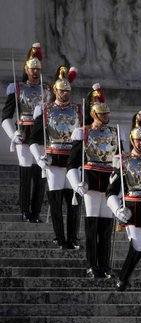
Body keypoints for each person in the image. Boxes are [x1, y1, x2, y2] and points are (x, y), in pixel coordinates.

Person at [66, 83, 118, 279]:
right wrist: (76, 182)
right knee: (92, 225)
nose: (106, 117)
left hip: (108, 184)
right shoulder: (84, 133)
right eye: (102, 114)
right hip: (91, 182)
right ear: (94, 114)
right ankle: (91, 264)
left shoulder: (114, 132)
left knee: (106, 227)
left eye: (107, 114)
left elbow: (119, 161)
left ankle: (104, 265)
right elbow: (72, 163)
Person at [27, 65, 81, 249]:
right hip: (54, 162)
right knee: (56, 202)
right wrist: (39, 157)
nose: (64, 94)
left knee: (73, 203)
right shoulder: (46, 111)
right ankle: (60, 237)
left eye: (67, 90)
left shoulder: (78, 111)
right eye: (61, 90)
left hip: (72, 163)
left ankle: (72, 238)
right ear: (55, 91)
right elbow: (33, 139)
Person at [2, 42, 51, 223]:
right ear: (26, 69)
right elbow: (6, 116)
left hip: (41, 135)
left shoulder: (47, 90)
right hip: (24, 132)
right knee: (26, 173)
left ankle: (36, 212)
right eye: (32, 69)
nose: (35, 72)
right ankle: (24, 210)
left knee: (40, 174)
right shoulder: (17, 88)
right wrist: (12, 133)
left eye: (38, 69)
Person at [106, 110, 141, 291]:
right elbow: (111, 192)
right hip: (131, 208)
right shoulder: (123, 161)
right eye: (138, 140)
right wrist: (118, 210)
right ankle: (123, 278)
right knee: (139, 244)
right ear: (132, 141)